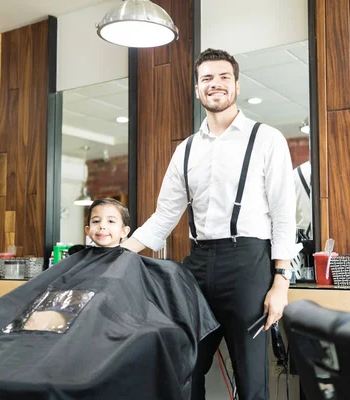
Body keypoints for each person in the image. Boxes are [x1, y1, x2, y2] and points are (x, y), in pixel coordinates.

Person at [122, 48, 296, 400]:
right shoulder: (185, 150)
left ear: (237, 85)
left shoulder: (266, 138)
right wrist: (114, 254)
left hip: (249, 263)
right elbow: (163, 218)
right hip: (197, 265)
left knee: (251, 377)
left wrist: (281, 281)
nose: (215, 84)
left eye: (223, 77)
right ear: (197, 90)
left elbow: (283, 214)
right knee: (184, 364)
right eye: (207, 79)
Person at [23, 198, 131, 332]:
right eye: (96, 221)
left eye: (111, 221)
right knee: (32, 320)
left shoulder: (130, 261)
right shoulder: (78, 258)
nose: (102, 226)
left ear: (124, 231)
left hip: (105, 317)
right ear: (87, 229)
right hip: (72, 310)